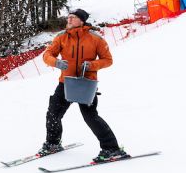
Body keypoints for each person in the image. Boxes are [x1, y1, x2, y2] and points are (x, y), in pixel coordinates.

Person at [40, 9, 128, 162]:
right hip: (66, 82)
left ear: (81, 20)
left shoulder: (95, 38)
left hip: (86, 83)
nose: (69, 19)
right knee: (53, 113)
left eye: (73, 17)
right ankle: (53, 144)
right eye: (68, 17)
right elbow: (47, 55)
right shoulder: (61, 37)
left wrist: (92, 65)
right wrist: (56, 62)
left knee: (90, 117)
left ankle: (112, 148)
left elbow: (108, 60)